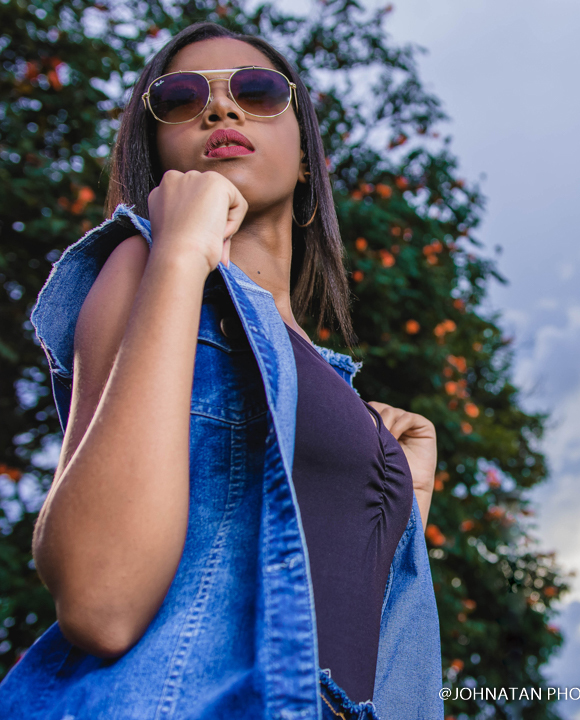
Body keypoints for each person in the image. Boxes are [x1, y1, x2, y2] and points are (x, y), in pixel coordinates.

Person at [0, 21, 444, 720]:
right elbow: (101, 599)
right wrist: (181, 249)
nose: (221, 109)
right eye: (179, 98)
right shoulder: (146, 267)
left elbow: (345, 614)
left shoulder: (332, 384)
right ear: (156, 150)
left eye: (258, 91)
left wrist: (401, 492)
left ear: (306, 161)